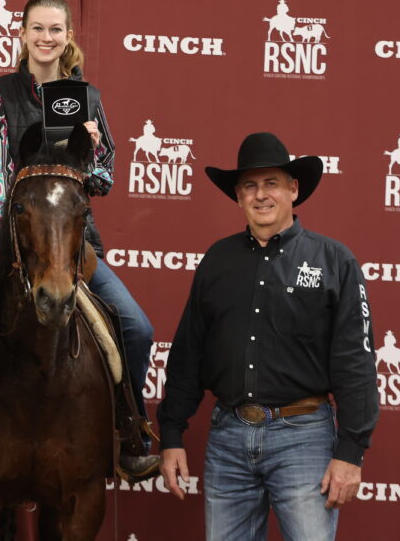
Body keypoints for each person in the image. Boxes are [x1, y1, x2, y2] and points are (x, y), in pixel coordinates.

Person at [0, 0, 159, 480]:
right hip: (1, 239)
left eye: (55, 30)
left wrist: (90, 152)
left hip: (70, 242)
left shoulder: (86, 96)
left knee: (138, 327)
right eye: (38, 29)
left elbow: (104, 178)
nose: (46, 38)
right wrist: (15, 242)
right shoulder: (0, 94)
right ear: (22, 35)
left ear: (68, 38)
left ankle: (130, 432)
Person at [157, 132, 379, 541]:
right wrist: (171, 435)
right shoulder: (216, 260)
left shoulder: (334, 261)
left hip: (305, 438)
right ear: (238, 196)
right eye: (249, 185)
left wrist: (351, 452)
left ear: (294, 189)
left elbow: (356, 363)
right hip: (228, 437)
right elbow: (188, 354)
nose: (261, 195)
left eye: (271, 183)